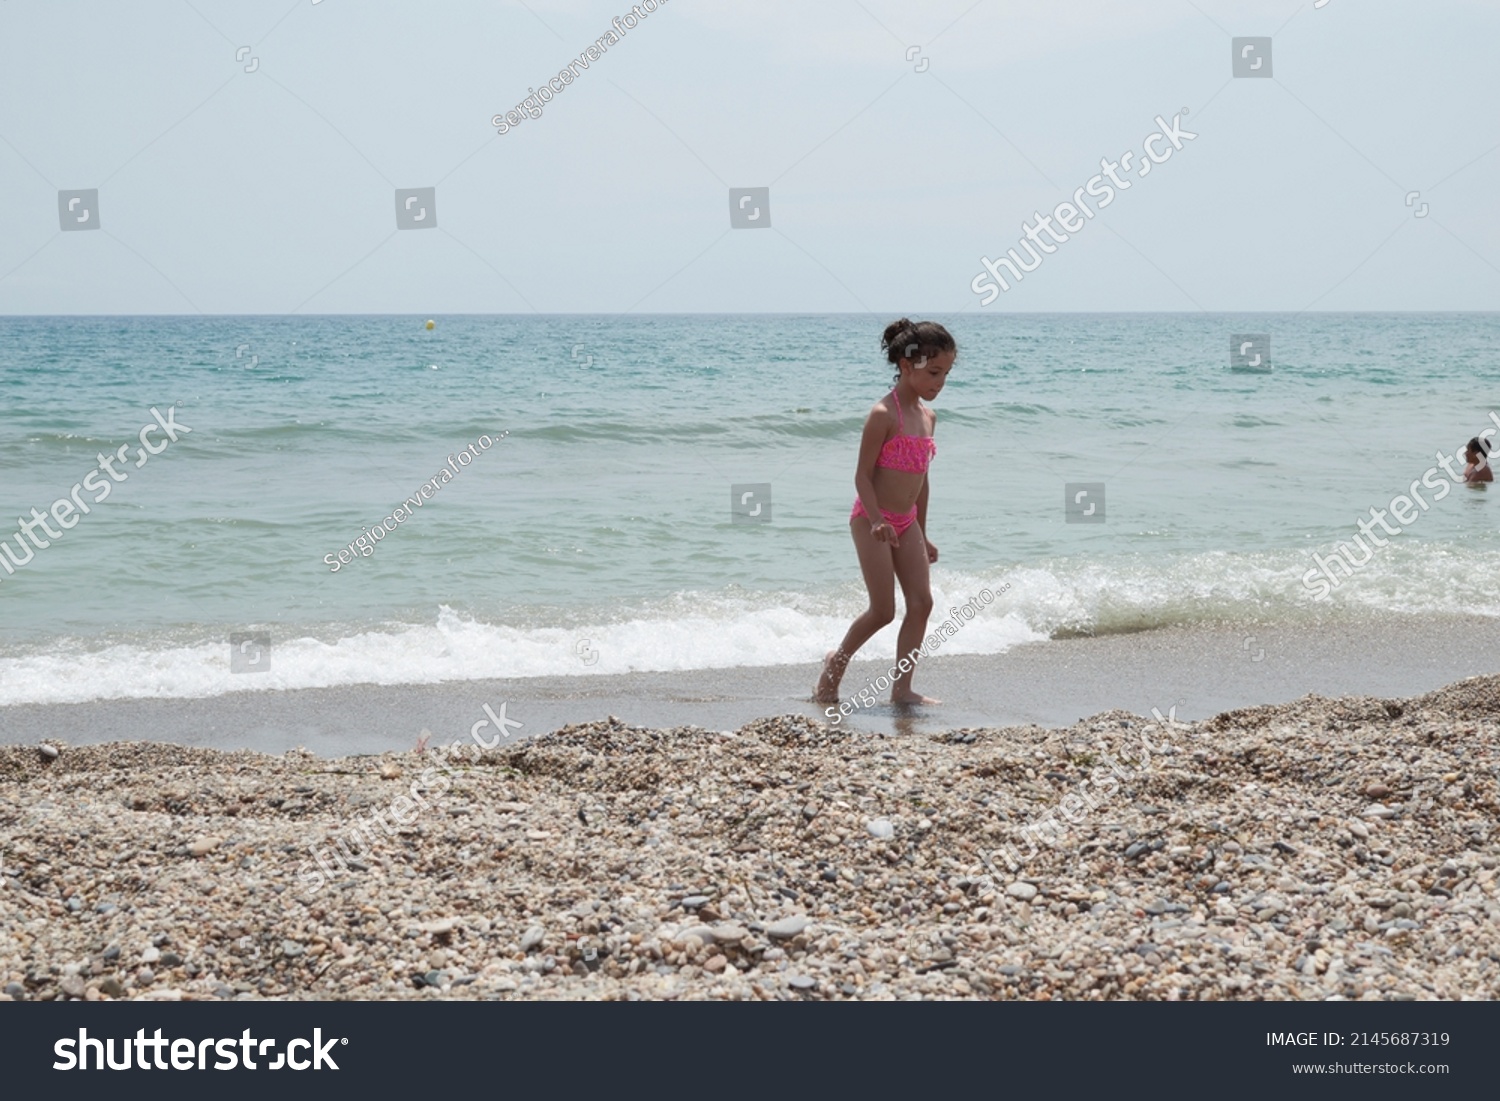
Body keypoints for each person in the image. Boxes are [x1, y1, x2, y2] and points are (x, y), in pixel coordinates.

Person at [814, 318, 954, 706]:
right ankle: (833, 669)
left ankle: (902, 689)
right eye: (934, 372)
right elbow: (861, 476)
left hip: (906, 522)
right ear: (908, 366)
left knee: (922, 603)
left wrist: (922, 533)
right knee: (882, 610)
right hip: (871, 519)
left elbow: (921, 481)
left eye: (946, 374)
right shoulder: (882, 414)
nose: (940, 382)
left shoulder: (928, 418)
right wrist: (876, 519)